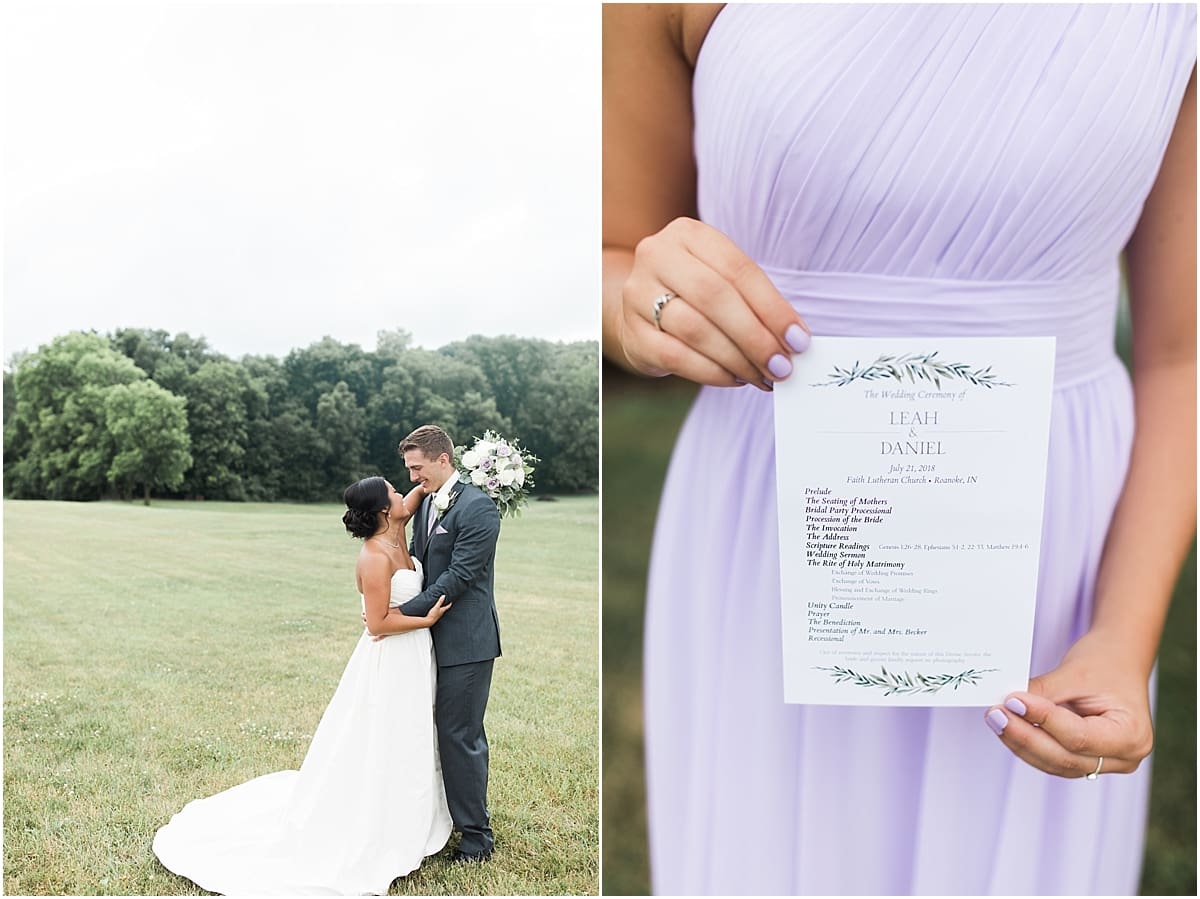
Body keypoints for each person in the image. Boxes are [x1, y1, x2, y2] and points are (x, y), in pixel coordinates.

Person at [603, 4, 1195, 895]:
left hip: (1055, 559)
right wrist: (632, 302)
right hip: (772, 530)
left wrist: (1123, 637)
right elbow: (612, 250)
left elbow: (1180, 354)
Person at [153, 477, 453, 894]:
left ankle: (411, 811)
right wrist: (427, 620)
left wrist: (452, 476)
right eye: (394, 490)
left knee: (413, 733)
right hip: (391, 658)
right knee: (386, 736)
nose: (404, 493)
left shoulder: (398, 524)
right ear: (385, 510)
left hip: (415, 657)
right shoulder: (373, 557)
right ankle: (380, 819)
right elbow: (379, 623)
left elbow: (421, 490)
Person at [396, 424, 503, 863]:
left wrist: (398, 615)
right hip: (427, 638)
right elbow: (420, 561)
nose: (412, 477)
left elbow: (457, 578)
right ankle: (436, 819)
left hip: (467, 642)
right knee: (430, 731)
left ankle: (477, 837)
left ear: (443, 460)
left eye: (417, 467)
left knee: (459, 735)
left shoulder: (478, 509)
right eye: (408, 469)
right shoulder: (426, 503)